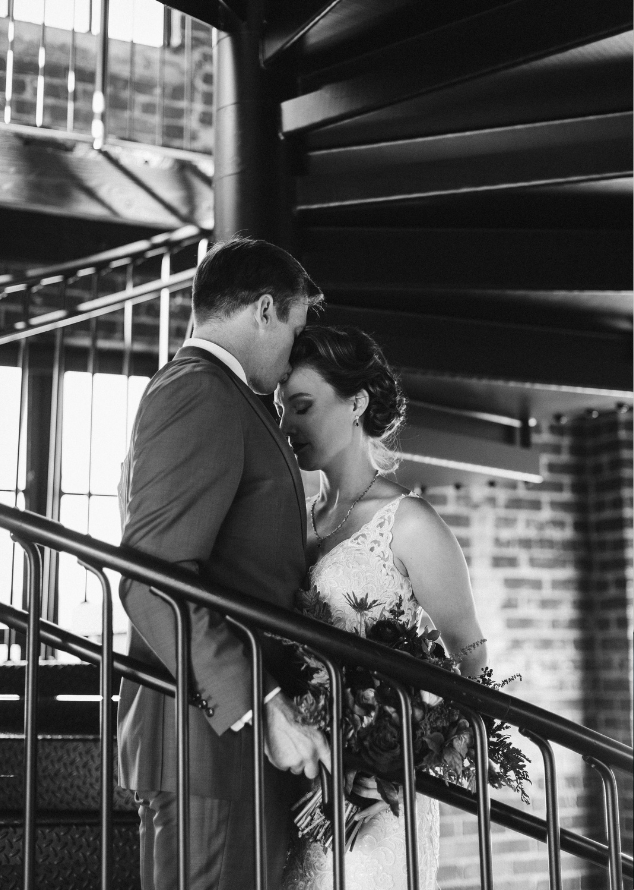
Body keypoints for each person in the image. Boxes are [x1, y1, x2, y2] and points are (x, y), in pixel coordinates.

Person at [117, 237, 332, 890]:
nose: (294, 352)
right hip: (203, 742)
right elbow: (152, 577)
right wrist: (262, 703)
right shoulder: (197, 392)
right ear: (264, 309)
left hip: (220, 741)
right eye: (294, 330)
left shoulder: (227, 396)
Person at [277, 325, 489, 890]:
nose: (287, 425)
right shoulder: (290, 516)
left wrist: (398, 771)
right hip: (300, 777)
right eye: (281, 409)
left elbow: (472, 661)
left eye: (301, 406)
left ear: (357, 403)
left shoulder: (411, 524)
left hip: (378, 806)